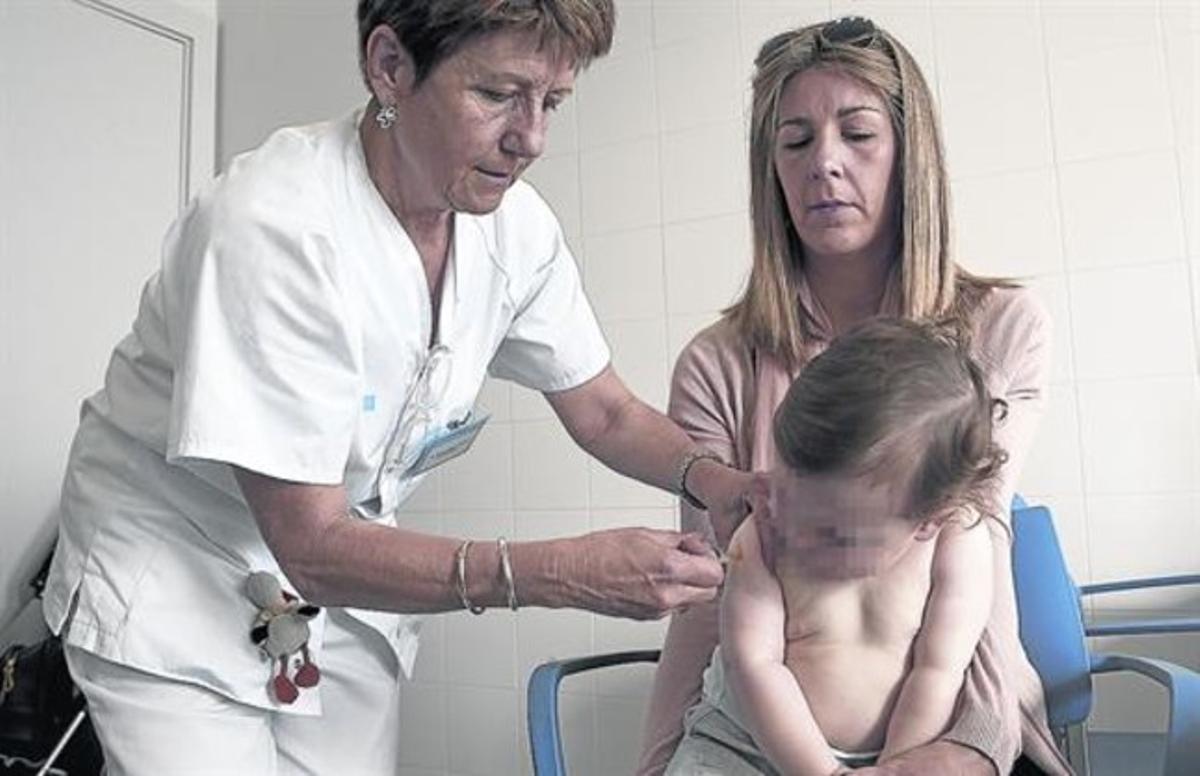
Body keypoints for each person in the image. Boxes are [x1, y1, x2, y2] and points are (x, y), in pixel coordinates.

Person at [40, 2, 750, 773]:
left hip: (336, 579)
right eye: (499, 94)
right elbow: (310, 544)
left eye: (553, 102)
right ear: (389, 66)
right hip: (177, 577)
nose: (532, 138)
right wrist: (562, 571)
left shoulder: (514, 230)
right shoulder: (274, 226)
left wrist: (715, 480)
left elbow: (605, 410)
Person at [637, 16, 1072, 776]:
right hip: (757, 732)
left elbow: (979, 548)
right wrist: (660, 759)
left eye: (858, 134)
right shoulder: (715, 364)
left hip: (956, 716)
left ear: (911, 153)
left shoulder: (1003, 327)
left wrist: (972, 746)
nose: (824, 166)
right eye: (796, 142)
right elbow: (715, 595)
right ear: (768, 167)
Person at [665, 318, 1006, 775]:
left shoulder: (957, 544)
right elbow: (753, 663)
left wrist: (894, 768)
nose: (795, 533)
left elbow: (938, 671)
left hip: (895, 750)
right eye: (784, 497)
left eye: (832, 533)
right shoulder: (762, 534)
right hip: (743, 743)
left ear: (928, 520)